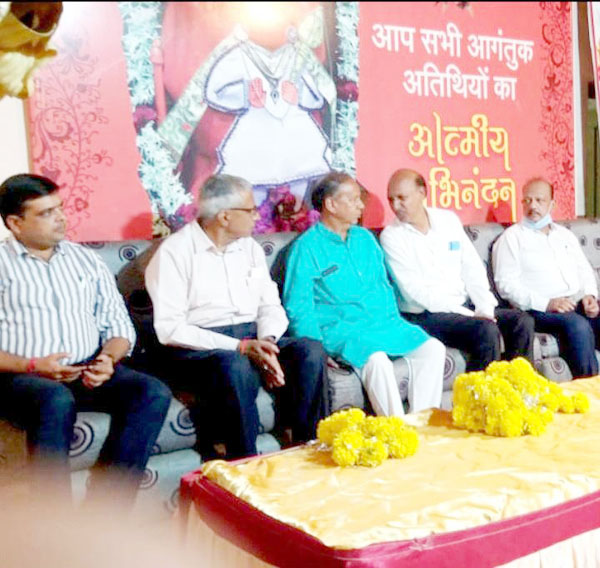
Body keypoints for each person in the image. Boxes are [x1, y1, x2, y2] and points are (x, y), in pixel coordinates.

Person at [0, 173, 172, 503]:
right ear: (15, 223)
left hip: (85, 369)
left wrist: (108, 359)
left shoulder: (85, 259)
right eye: (46, 213)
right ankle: (54, 519)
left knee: (151, 391)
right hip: (21, 377)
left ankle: (107, 509)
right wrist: (33, 365)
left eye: (60, 208)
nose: (60, 218)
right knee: (55, 399)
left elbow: (119, 325)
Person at [144, 174, 326, 459]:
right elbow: (171, 329)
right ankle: (244, 461)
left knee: (309, 350)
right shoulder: (175, 252)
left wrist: (267, 343)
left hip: (252, 336)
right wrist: (240, 347)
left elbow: (270, 306)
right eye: (251, 210)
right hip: (198, 348)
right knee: (234, 364)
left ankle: (307, 449)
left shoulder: (249, 247)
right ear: (225, 216)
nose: (258, 216)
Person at [282, 171, 445, 417]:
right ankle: (395, 429)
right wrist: (316, 346)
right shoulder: (307, 248)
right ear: (331, 204)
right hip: (342, 330)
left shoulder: (365, 238)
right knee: (377, 360)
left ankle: (422, 424)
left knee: (433, 349)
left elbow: (384, 285)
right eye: (354, 200)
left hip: (385, 323)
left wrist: (392, 318)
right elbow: (299, 306)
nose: (361, 206)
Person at [380, 169, 535, 373]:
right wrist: (469, 314)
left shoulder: (447, 220)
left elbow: (471, 266)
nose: (395, 206)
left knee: (521, 322)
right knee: (485, 330)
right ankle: (479, 392)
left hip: (463, 307)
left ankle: (518, 388)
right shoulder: (391, 236)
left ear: (422, 193)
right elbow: (414, 292)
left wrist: (484, 307)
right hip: (425, 315)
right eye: (391, 199)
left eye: (402, 198)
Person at [492, 177, 600, 378]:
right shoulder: (512, 238)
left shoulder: (564, 235)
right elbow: (506, 285)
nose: (533, 206)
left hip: (575, 302)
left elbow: (584, 269)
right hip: (539, 309)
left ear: (552, 204)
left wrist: (590, 296)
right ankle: (589, 390)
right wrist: (548, 303)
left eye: (539, 200)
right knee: (578, 326)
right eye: (527, 200)